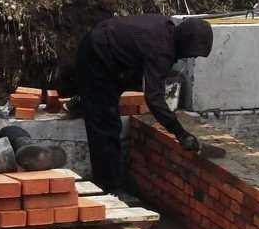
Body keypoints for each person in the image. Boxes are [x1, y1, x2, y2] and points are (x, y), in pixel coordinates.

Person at [68, 15, 214, 196]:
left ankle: (87, 99)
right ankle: (110, 188)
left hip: (106, 49)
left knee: (113, 92)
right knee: (107, 125)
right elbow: (154, 99)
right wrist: (180, 133)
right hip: (96, 54)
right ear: (185, 42)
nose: (190, 57)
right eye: (192, 52)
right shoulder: (161, 49)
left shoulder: (166, 31)